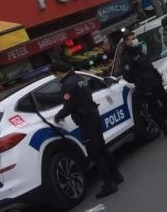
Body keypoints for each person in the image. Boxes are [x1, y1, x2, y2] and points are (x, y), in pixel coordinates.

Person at [50, 61, 122, 199]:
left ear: (58, 72)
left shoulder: (67, 85)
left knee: (95, 154)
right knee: (102, 148)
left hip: (85, 120)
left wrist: (58, 117)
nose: (56, 78)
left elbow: (69, 106)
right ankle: (116, 176)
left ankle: (109, 184)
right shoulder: (79, 78)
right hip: (93, 115)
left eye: (55, 75)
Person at [120, 31, 167, 136]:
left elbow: (149, 66)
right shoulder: (127, 57)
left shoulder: (138, 51)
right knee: (154, 109)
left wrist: (157, 76)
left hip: (155, 82)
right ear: (126, 42)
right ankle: (166, 129)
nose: (135, 40)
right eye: (132, 39)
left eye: (135, 37)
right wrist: (141, 81)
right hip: (146, 87)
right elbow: (127, 76)